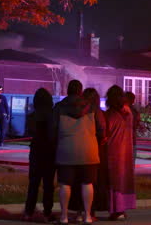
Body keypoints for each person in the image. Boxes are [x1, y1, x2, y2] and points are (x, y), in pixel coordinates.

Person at [52, 80, 100, 225]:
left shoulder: (59, 107)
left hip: (66, 150)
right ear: (80, 91)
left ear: (68, 90)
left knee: (65, 184)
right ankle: (87, 216)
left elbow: (52, 130)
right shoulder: (91, 107)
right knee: (87, 183)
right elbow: (102, 128)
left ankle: (64, 216)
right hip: (89, 150)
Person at [23, 88, 56, 222]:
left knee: (33, 184)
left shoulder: (31, 116)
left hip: (36, 151)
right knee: (48, 185)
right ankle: (47, 213)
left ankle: (28, 212)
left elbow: (29, 132)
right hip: (49, 152)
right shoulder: (53, 115)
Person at [105, 85, 136, 220]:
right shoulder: (128, 113)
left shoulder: (110, 115)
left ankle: (116, 209)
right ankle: (122, 209)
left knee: (114, 181)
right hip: (127, 150)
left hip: (113, 150)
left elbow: (105, 133)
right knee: (124, 179)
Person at [124, 91, 141, 161]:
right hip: (131, 139)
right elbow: (136, 124)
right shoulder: (135, 112)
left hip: (124, 140)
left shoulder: (123, 110)